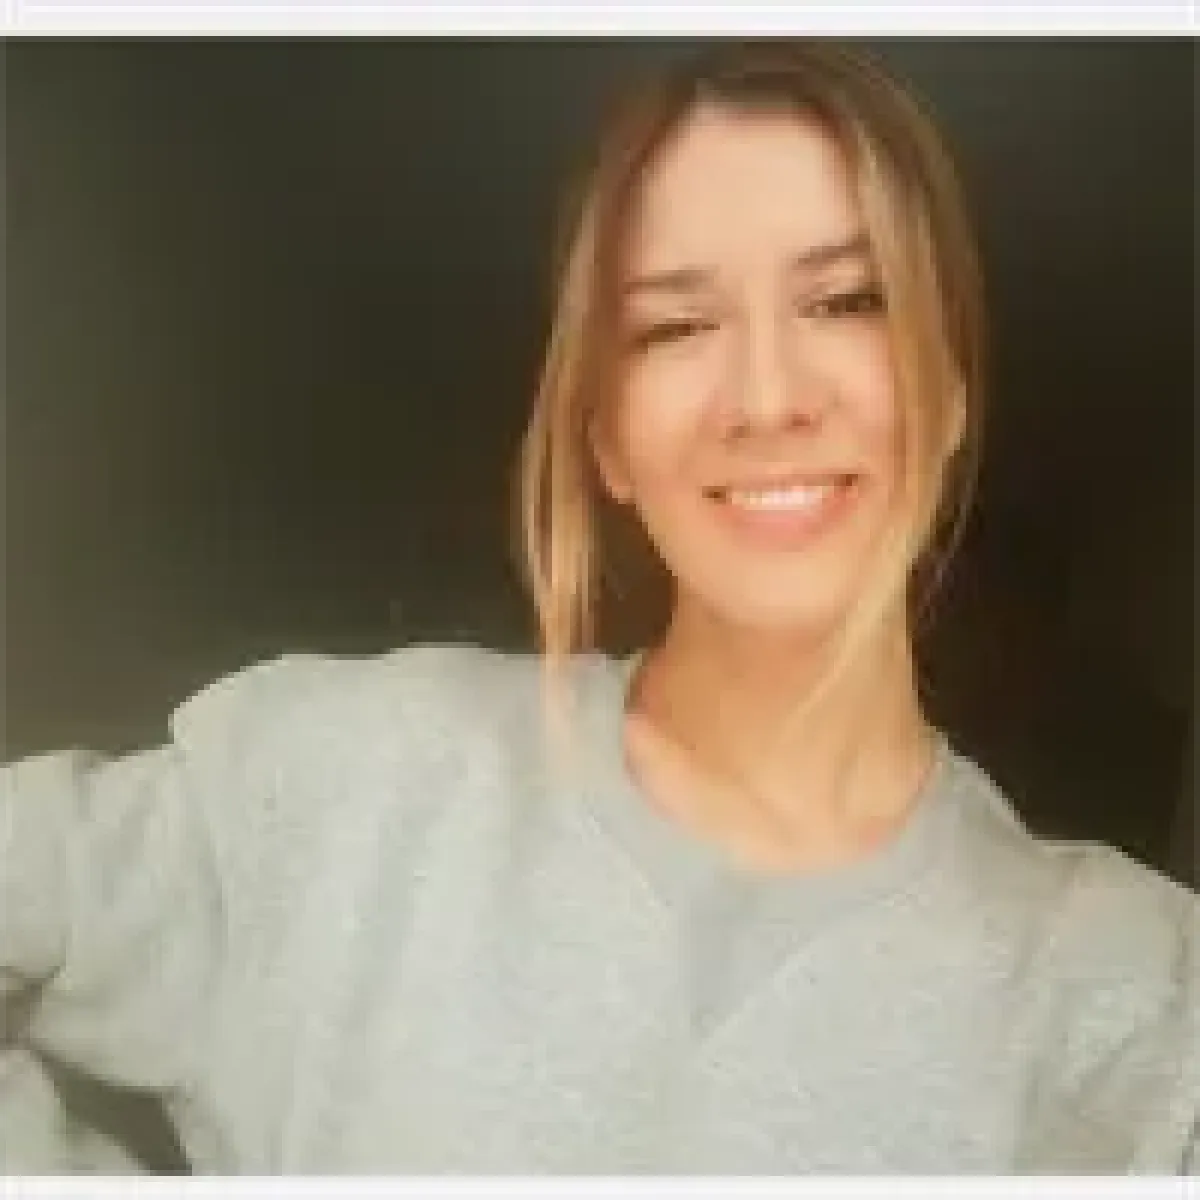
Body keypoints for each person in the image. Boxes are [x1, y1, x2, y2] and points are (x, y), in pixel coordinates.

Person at [2, 40, 1198, 1175]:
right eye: (676, 324)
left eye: (848, 300)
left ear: (949, 392)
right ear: (609, 436)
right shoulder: (344, 780)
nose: (767, 396)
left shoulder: (1139, 1003)